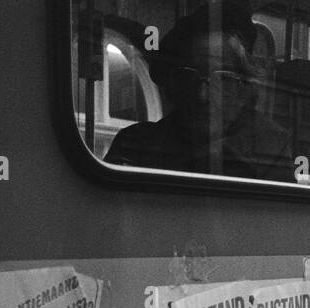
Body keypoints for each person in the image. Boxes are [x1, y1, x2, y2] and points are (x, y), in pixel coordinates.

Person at [103, 2, 294, 182]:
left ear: (243, 85)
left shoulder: (270, 151)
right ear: (174, 85)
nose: (203, 95)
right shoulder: (135, 145)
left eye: (222, 78)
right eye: (188, 76)